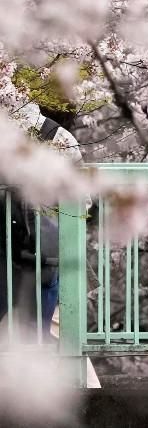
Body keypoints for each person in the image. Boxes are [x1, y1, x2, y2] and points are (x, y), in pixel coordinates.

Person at [1, 103, 82, 337]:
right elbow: (81, 201)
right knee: (38, 335)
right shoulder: (58, 135)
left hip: (6, 246)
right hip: (41, 250)